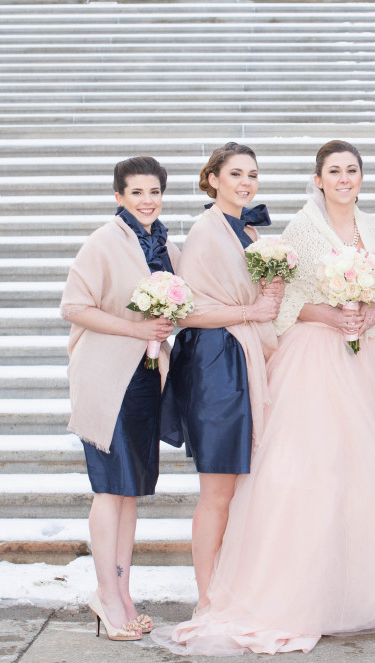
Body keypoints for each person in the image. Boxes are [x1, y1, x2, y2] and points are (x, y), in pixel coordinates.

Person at [153, 140, 375, 657]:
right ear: (318, 179)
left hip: (363, 356)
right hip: (314, 355)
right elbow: (286, 300)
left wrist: (368, 310)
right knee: (307, 472)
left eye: (352, 170)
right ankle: (297, 591)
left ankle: (362, 591)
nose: (344, 179)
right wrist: (329, 314)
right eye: (334, 171)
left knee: (365, 472)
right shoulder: (299, 227)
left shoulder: (374, 227)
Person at [159, 143, 283, 616]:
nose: (246, 182)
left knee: (237, 486)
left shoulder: (247, 229)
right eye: (235, 174)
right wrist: (250, 310)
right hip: (215, 364)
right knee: (217, 488)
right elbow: (189, 310)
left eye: (252, 174)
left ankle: (232, 584)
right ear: (213, 179)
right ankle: (207, 597)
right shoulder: (207, 233)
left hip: (242, 355)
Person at [60, 156, 180, 641]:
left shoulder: (164, 242)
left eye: (154, 191)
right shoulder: (104, 241)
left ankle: (122, 594)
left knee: (130, 492)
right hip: (107, 376)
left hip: (147, 377)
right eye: (137, 193)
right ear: (119, 197)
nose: (147, 200)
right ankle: (106, 597)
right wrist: (136, 326)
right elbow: (73, 305)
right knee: (110, 488)